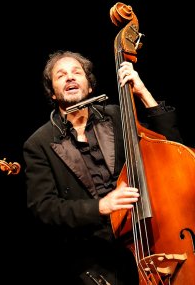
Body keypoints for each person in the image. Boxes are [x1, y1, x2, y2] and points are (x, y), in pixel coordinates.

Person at [23, 50, 183, 285]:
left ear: (89, 87)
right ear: (52, 92)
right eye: (61, 75)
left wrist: (143, 93)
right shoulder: (39, 143)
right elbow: (45, 209)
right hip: (95, 258)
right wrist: (102, 206)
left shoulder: (118, 116)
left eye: (77, 72)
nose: (70, 77)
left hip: (149, 237)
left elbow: (171, 150)